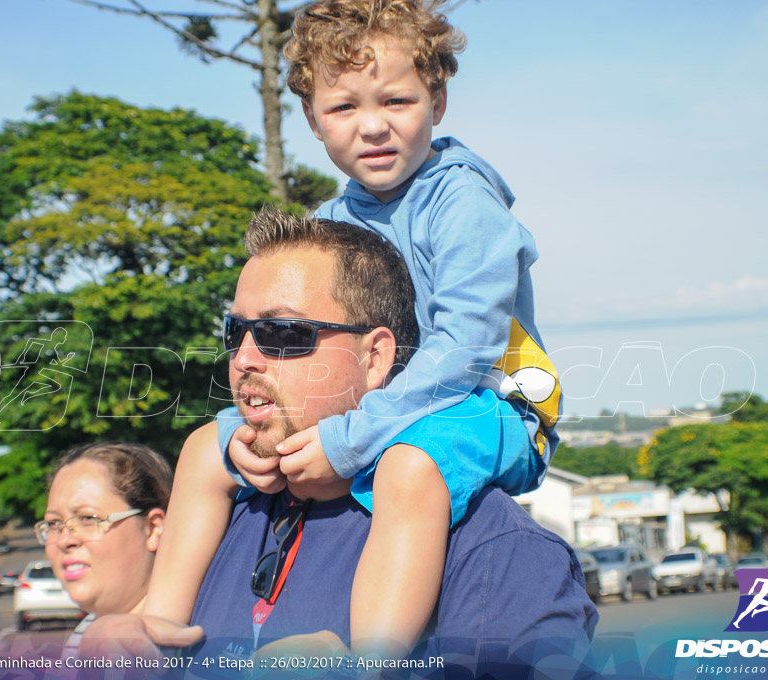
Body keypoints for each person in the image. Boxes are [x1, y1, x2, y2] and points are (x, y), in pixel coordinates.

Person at [147, 0, 563, 659]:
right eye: (344, 109)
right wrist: (263, 439)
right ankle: (159, 620)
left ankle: (370, 659)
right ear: (312, 119)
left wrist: (349, 439)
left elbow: (466, 348)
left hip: (491, 405)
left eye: (396, 100)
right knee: (207, 444)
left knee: (409, 466)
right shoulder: (332, 219)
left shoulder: (461, 200)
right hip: (383, 411)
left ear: (439, 100)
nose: (374, 127)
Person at [85, 210, 596, 678]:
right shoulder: (226, 505)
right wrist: (121, 642)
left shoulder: (495, 551)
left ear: (376, 359)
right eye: (235, 330)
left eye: (281, 332)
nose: (243, 359)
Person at [36, 441, 172, 659]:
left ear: (153, 528)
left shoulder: (196, 643)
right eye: (53, 524)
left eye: (88, 518)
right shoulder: (86, 633)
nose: (64, 540)